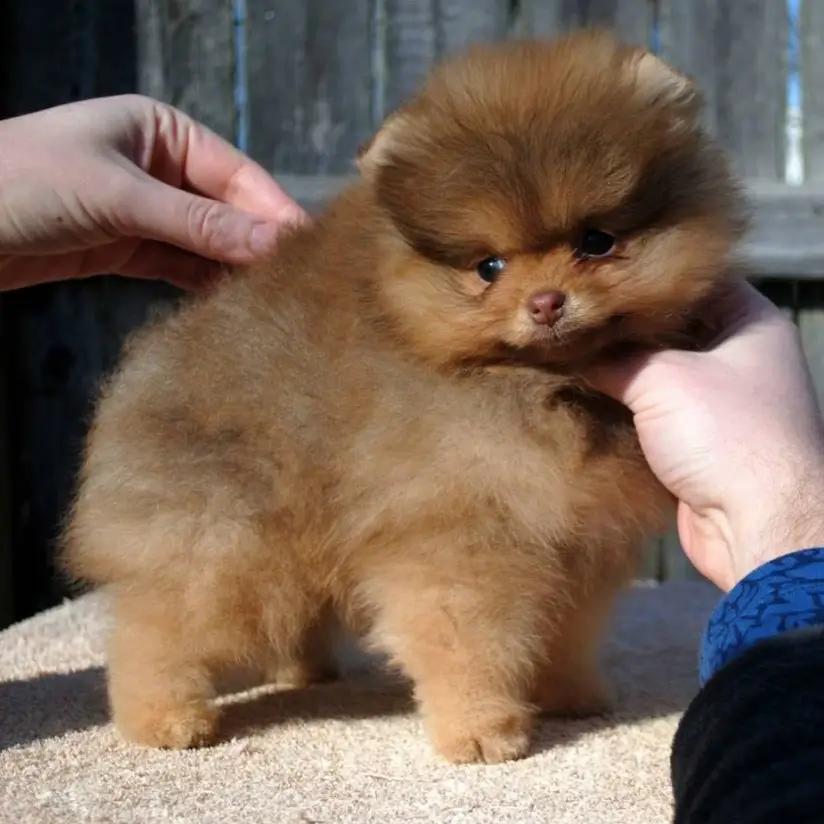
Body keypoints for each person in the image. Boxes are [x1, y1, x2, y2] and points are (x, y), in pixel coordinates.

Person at [3, 95, 824, 822]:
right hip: (220, 449)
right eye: (489, 266)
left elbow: (580, 559)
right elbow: (452, 571)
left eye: (595, 241)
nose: (542, 295)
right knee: (236, 573)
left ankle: (549, 673)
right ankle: (157, 671)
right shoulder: (432, 399)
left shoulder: (662, 382)